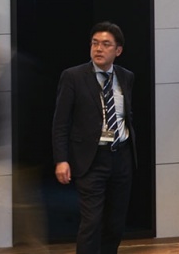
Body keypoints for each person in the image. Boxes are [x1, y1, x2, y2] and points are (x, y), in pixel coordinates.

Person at [52, 21, 136, 254]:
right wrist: (61, 159)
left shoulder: (126, 77)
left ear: (118, 50)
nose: (99, 49)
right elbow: (60, 122)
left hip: (121, 157)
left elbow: (126, 116)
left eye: (106, 44)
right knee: (92, 221)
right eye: (95, 43)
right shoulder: (73, 77)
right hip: (91, 159)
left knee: (116, 222)